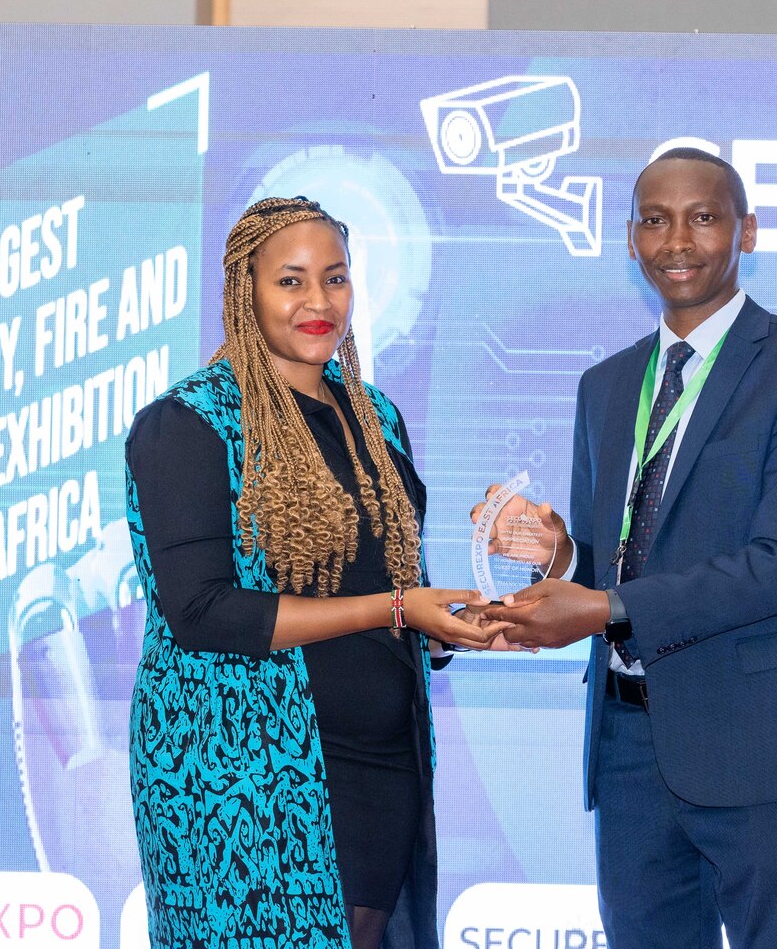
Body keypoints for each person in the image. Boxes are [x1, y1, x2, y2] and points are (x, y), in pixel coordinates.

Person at [475, 149, 777, 948]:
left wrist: (607, 604)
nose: (677, 240)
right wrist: (556, 558)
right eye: (655, 220)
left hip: (765, 748)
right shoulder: (607, 386)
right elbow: (610, 559)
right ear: (629, 239)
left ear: (746, 231)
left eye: (704, 217)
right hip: (627, 750)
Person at [127, 196, 504, 949]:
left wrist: (447, 628)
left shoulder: (375, 416)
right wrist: (397, 609)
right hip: (239, 769)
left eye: (335, 279)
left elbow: (389, 579)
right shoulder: (188, 424)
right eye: (291, 281)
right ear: (244, 289)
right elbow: (203, 613)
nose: (319, 302)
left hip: (381, 762)